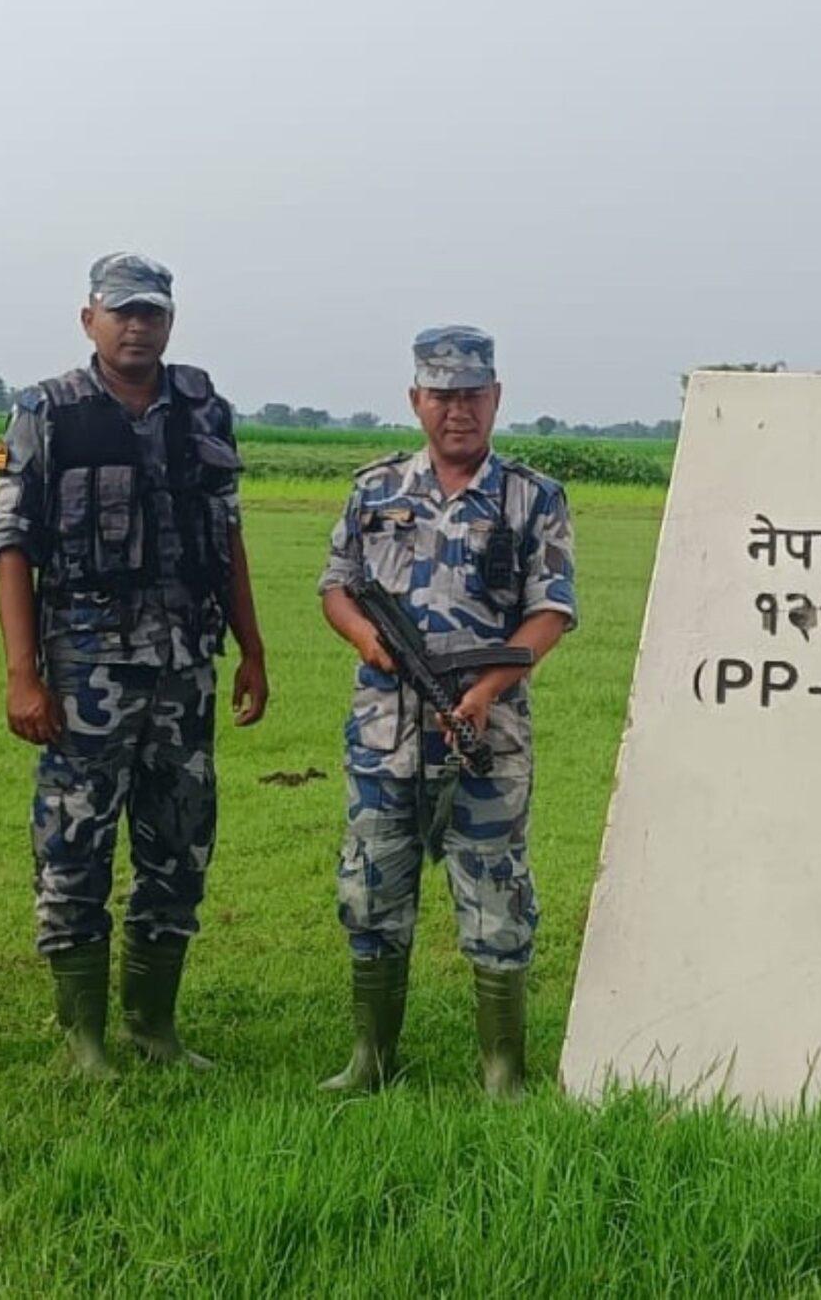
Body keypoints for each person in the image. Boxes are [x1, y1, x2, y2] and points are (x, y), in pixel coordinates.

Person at [0, 253, 269, 1078]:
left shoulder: (203, 407)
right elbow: (13, 549)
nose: (136, 325)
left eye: (150, 312)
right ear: (90, 321)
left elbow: (228, 534)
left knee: (179, 843)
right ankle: (83, 1040)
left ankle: (154, 1028)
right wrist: (20, 673)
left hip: (187, 666)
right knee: (74, 843)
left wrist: (252, 646)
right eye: (121, 312)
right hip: (84, 669)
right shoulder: (45, 411)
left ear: (170, 321)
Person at [315, 325, 577, 1100]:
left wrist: (486, 688)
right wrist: (367, 639)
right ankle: (371, 1059)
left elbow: (553, 610)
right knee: (371, 890)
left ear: (495, 399)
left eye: (471, 395)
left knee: (495, 892)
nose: (456, 410)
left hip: (484, 736)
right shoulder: (375, 491)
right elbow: (336, 584)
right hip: (384, 732)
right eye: (441, 395)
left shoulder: (533, 498)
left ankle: (503, 1072)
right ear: (415, 401)